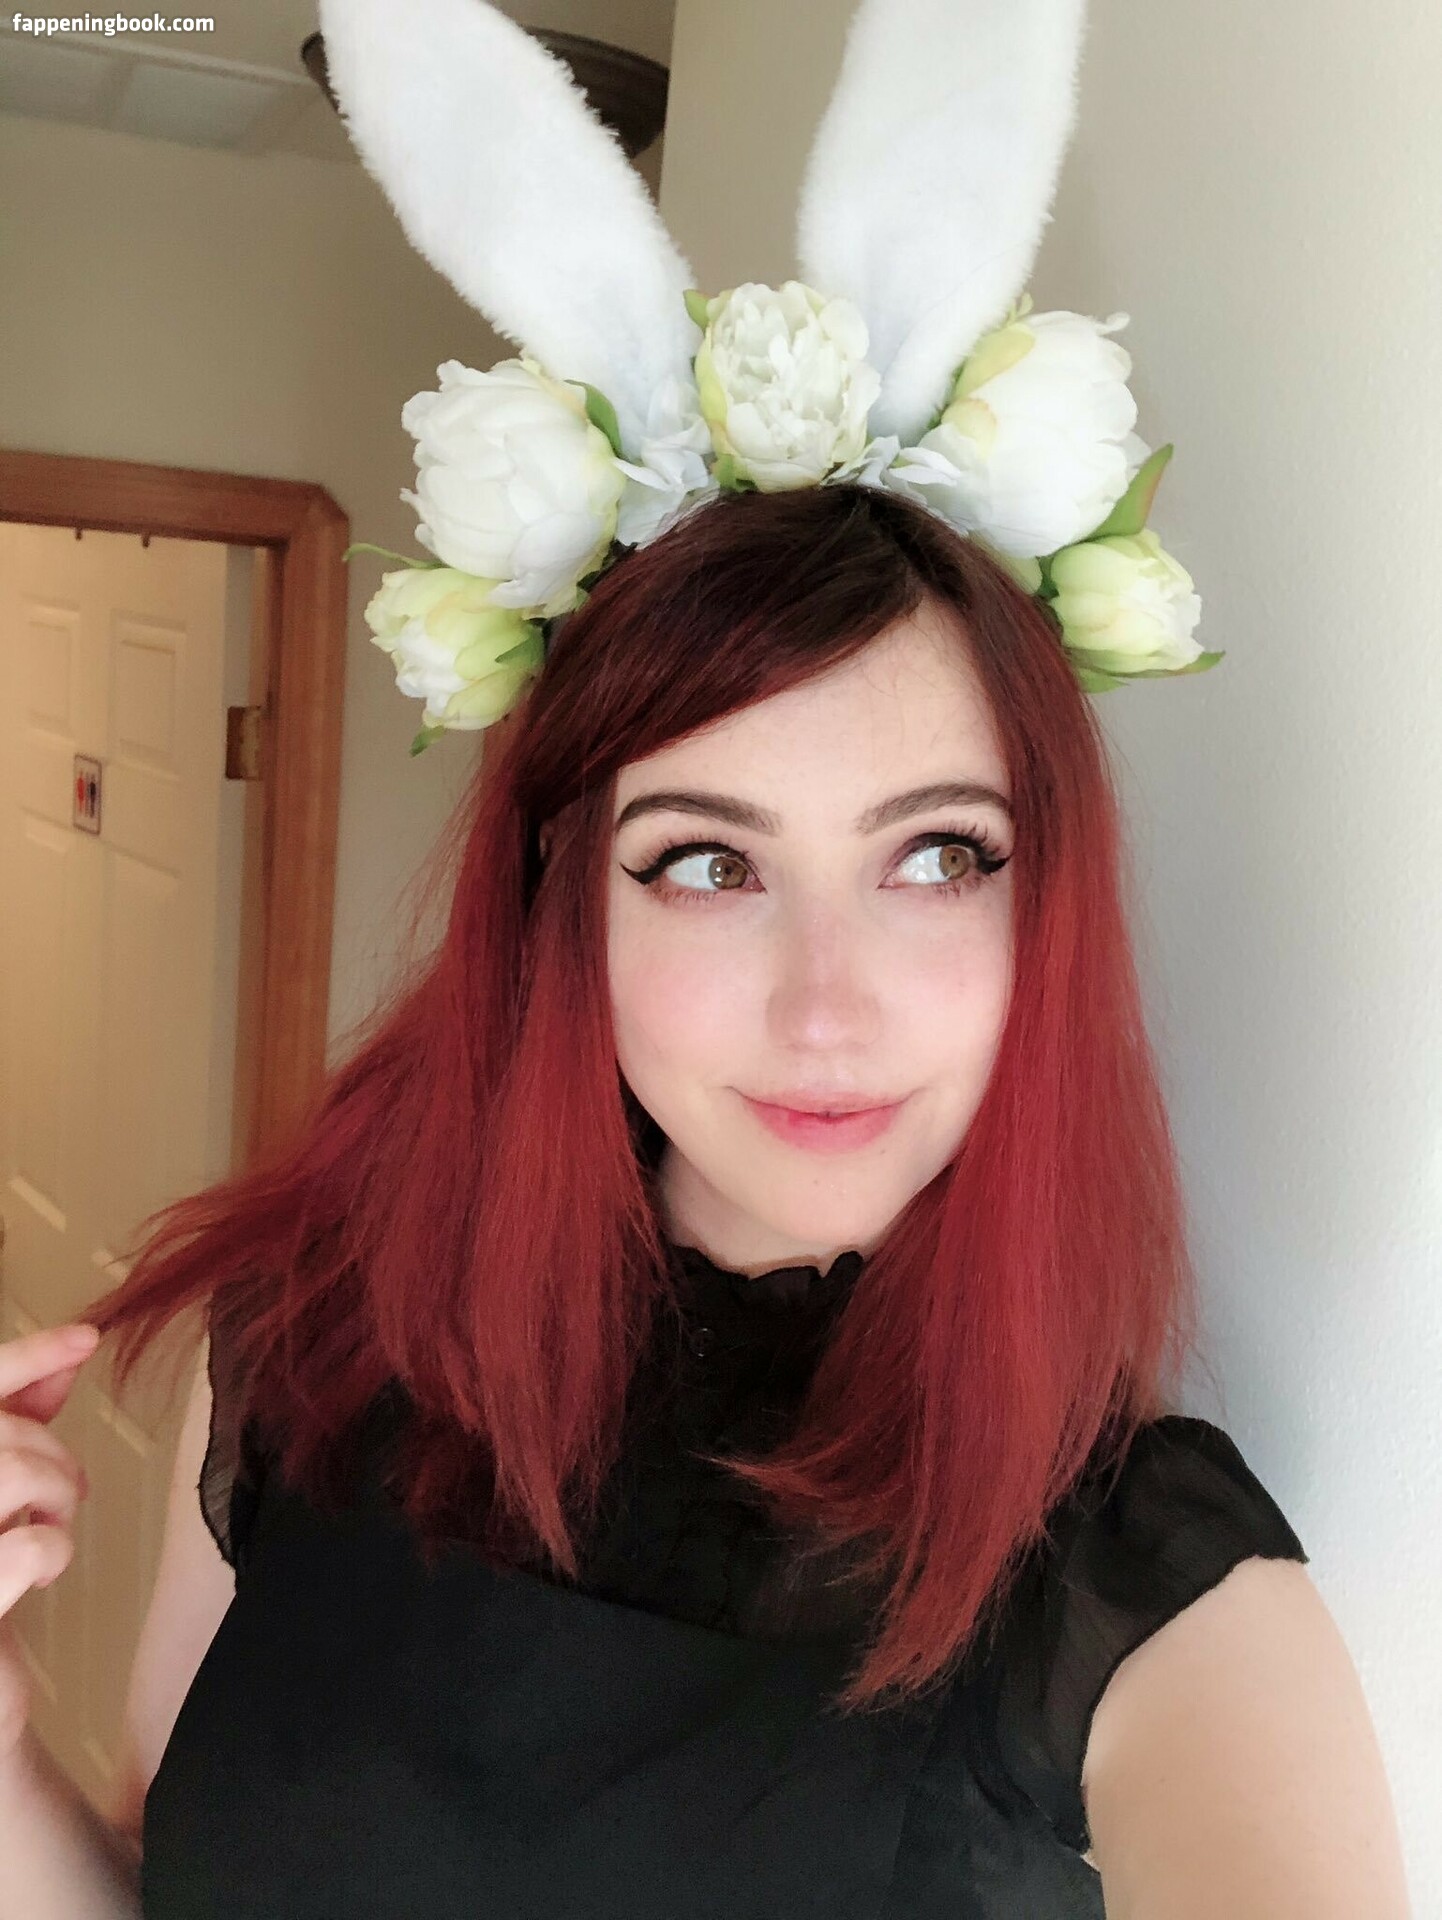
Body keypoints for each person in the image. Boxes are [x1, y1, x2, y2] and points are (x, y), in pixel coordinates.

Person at [0, 0, 1413, 1912]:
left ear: (1043, 903)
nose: (827, 1005)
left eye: (936, 856)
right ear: (559, 907)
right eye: (705, 865)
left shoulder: (1143, 1588)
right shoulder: (304, 1355)